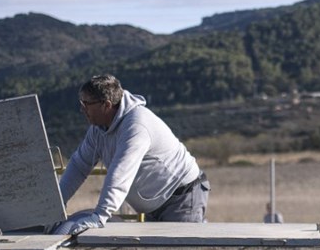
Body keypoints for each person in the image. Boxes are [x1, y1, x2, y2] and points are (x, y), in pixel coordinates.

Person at [51, 74, 208, 235]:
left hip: (181, 198)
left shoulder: (136, 125)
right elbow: (79, 165)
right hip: (155, 204)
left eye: (86, 104)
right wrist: (55, 207)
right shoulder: (98, 130)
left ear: (106, 105)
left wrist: (99, 216)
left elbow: (120, 172)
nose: (82, 109)